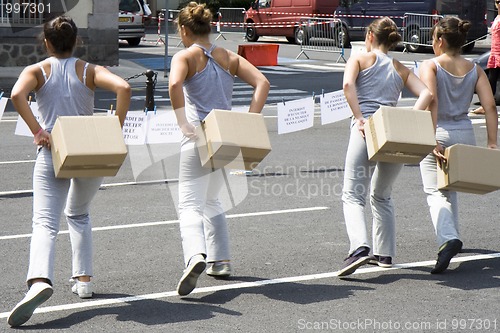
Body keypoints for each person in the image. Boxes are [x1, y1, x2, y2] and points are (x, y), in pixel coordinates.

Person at [7, 16, 131, 327]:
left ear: (46, 42)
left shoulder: (37, 71)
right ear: (76, 41)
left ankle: (39, 280)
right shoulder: (89, 70)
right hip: (89, 148)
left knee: (45, 221)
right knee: (79, 214)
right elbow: (124, 87)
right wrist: (113, 129)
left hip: (53, 148)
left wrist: (37, 130)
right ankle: (84, 280)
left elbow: (16, 96)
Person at [168, 2, 270, 296]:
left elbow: (175, 84)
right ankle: (221, 260)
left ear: (185, 30)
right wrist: (250, 120)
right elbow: (262, 83)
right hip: (225, 134)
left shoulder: (185, 56)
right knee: (212, 199)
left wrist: (181, 123)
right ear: (209, 27)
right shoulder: (227, 56)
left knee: (189, 204)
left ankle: (196, 255)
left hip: (198, 133)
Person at [338, 17, 432, 277]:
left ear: (370, 36)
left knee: (353, 194)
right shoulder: (399, 67)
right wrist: (409, 118)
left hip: (367, 129)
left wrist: (358, 117)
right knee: (382, 194)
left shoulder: (359, 58)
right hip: (393, 132)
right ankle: (385, 253)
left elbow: (347, 85)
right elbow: (426, 93)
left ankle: (359, 247)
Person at [418, 17, 498, 274]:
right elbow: (489, 107)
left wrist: (429, 138)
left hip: (438, 132)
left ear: (440, 41)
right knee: (449, 187)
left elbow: (432, 102)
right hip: (464, 134)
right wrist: (492, 143)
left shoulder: (430, 66)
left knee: (435, 192)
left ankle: (448, 238)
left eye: (433, 39)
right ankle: (452, 234)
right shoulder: (475, 69)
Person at [472, 0, 500, 115]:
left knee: (491, 81)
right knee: (490, 81)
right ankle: (486, 106)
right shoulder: (498, 17)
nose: (498, 4)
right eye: (497, 1)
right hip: (495, 53)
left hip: (498, 53)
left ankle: (486, 106)